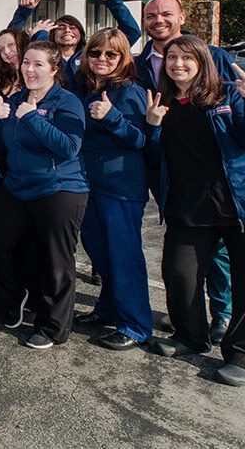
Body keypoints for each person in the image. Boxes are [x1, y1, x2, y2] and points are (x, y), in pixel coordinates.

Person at [145, 40, 245, 385]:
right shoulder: (162, 103)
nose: (178, 64)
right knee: (179, 273)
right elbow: (155, 160)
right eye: (171, 57)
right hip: (191, 208)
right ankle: (190, 336)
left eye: (186, 57)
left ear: (202, 62)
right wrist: (153, 126)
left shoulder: (226, 95)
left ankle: (244, 355)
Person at [138, 0, 236, 343]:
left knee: (218, 253)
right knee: (182, 254)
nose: (158, 20)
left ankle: (221, 315)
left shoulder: (214, 56)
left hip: (214, 176)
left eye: (166, 13)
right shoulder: (140, 63)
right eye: (151, 15)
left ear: (181, 16)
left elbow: (235, 113)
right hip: (169, 169)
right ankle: (189, 320)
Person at [0, 41, 88, 349]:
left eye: (38, 64)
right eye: (26, 63)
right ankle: (16, 297)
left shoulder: (67, 102)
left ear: (54, 69)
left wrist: (32, 118)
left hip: (59, 188)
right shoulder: (16, 100)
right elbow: (3, 147)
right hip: (18, 187)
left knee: (56, 261)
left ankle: (53, 328)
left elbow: (69, 147)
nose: (29, 69)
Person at [72, 29, 152, 350]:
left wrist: (112, 117)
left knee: (124, 258)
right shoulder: (88, 87)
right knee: (101, 254)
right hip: (90, 184)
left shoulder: (128, 91)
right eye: (95, 53)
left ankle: (135, 325)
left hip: (120, 189)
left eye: (111, 54)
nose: (102, 59)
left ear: (123, 58)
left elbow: (138, 139)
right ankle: (107, 309)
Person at [12, 0, 142, 94]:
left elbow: (131, 32)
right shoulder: (44, 57)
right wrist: (23, 12)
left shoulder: (92, 54)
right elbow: (12, 41)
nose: (67, 30)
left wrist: (114, 3)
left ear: (81, 34)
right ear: (52, 34)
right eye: (61, 28)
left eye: (73, 27)